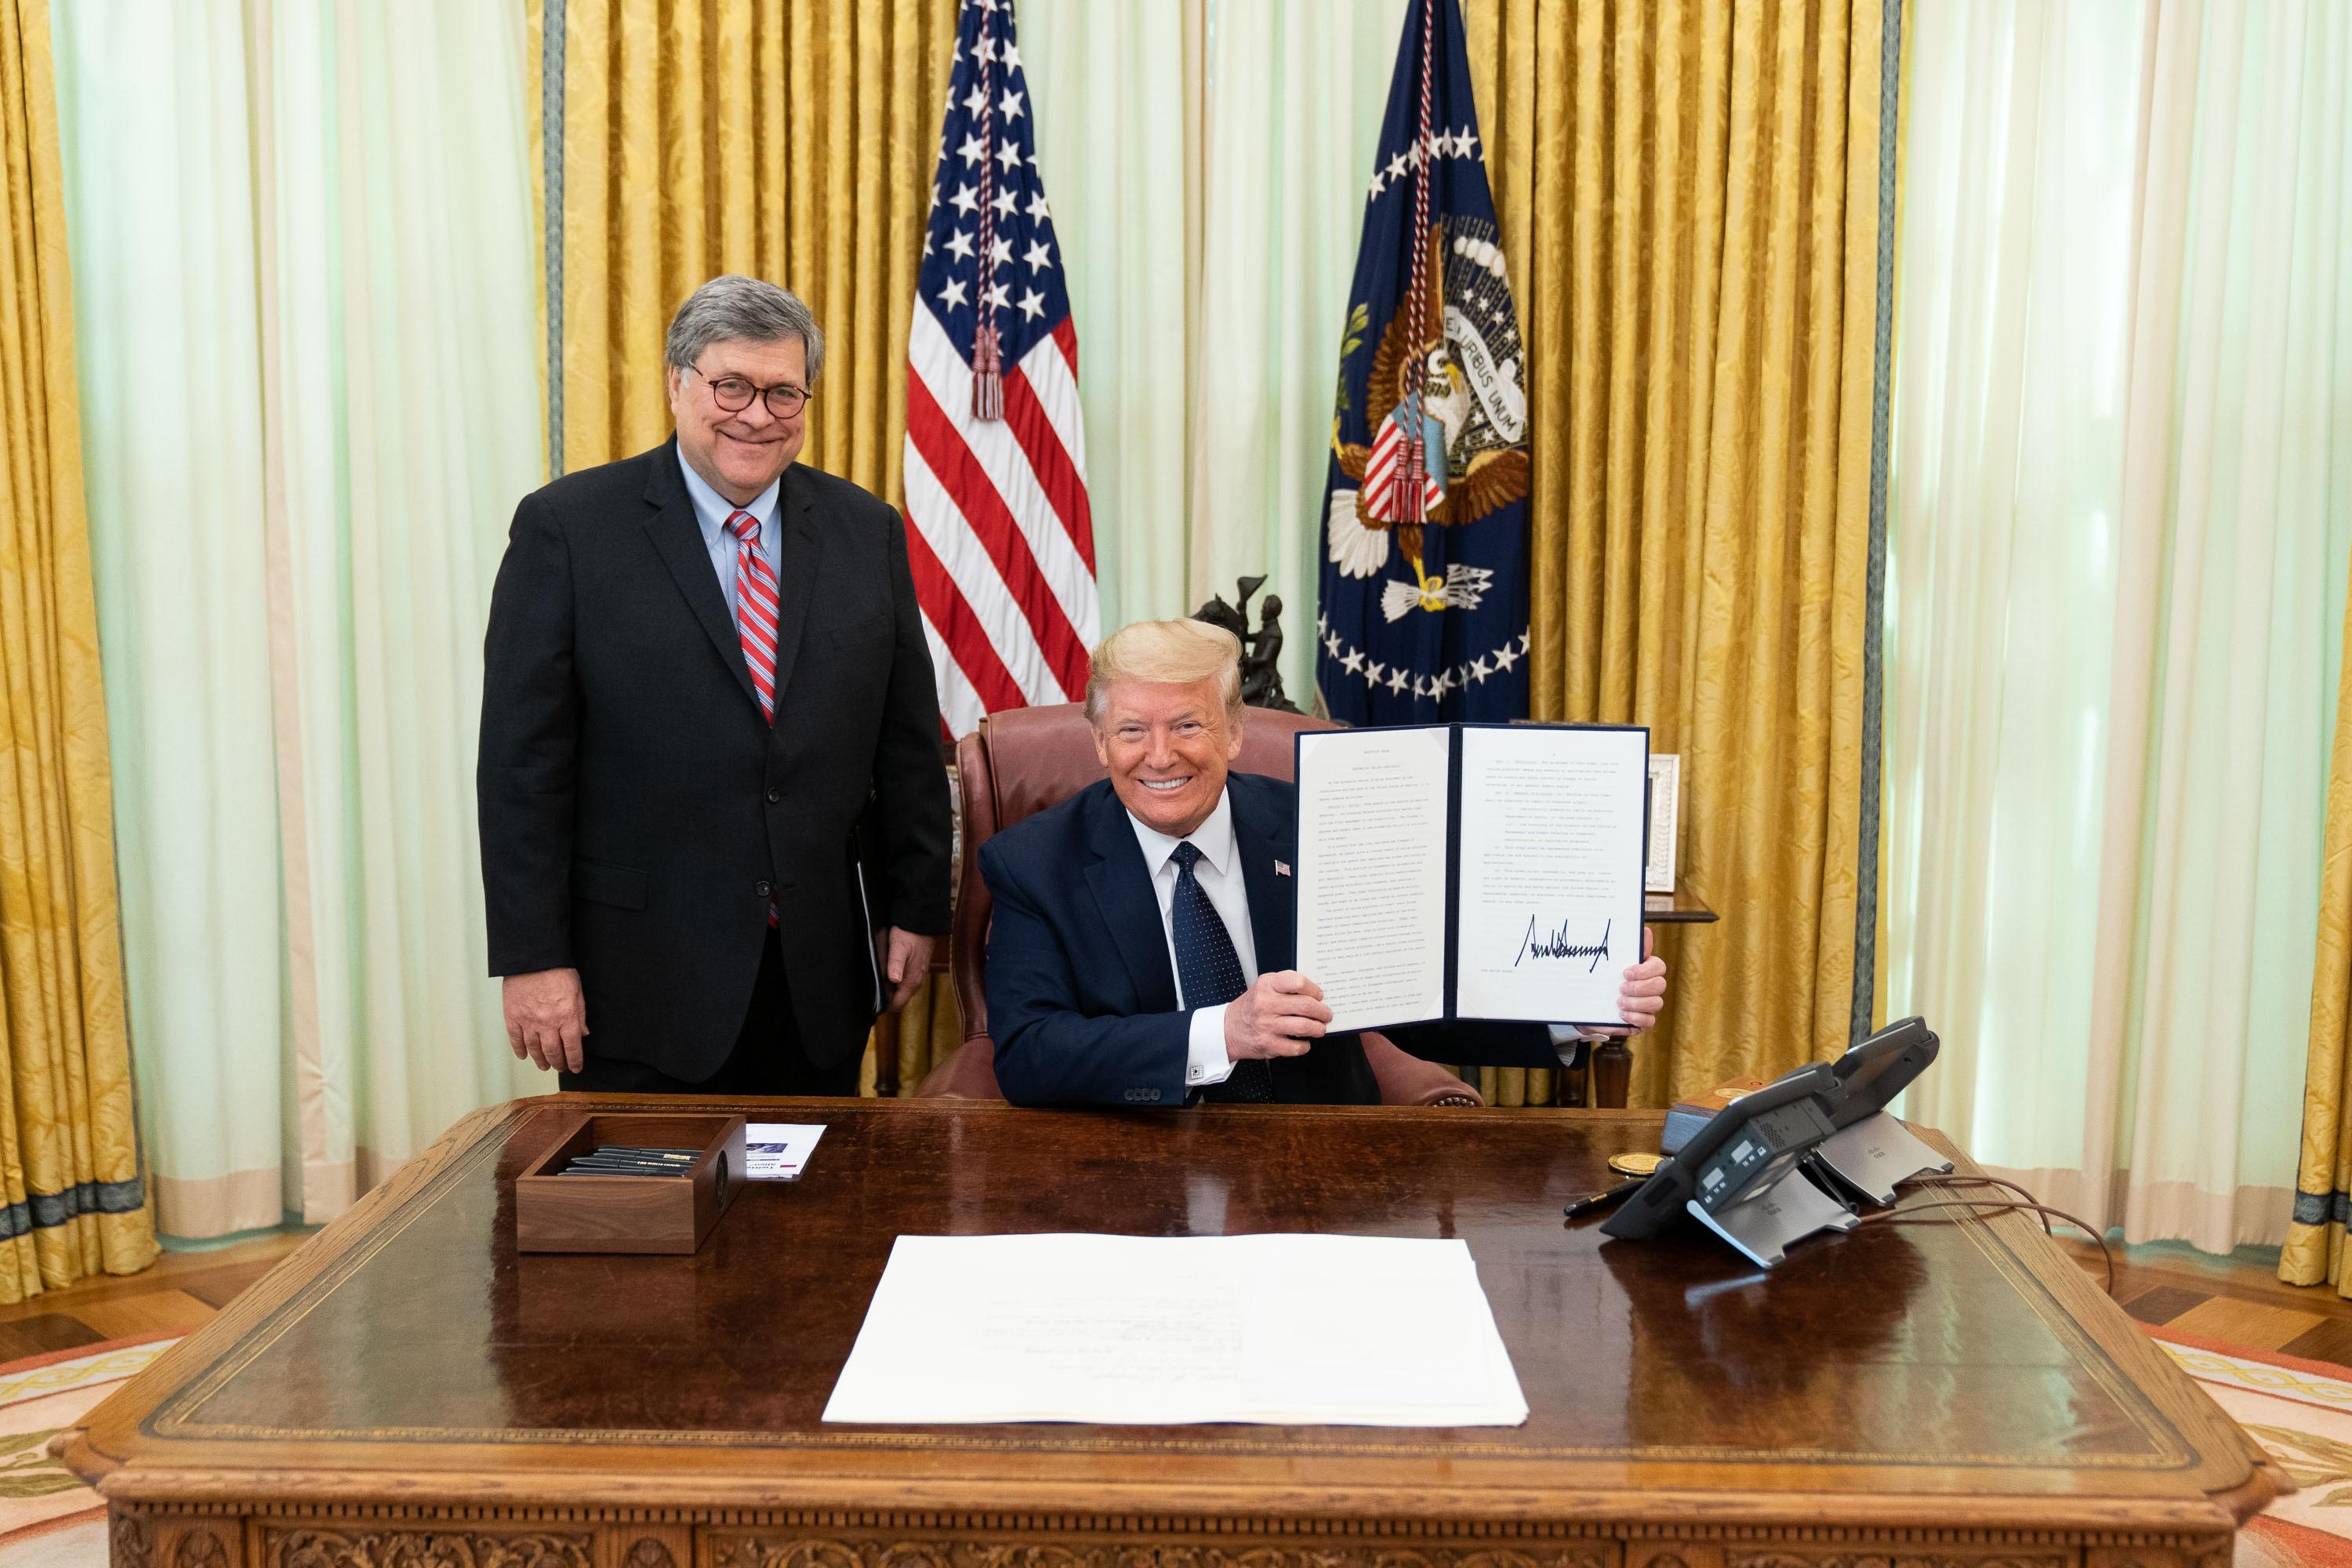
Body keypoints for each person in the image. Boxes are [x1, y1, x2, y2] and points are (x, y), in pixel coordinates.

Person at [478, 275, 950, 1094]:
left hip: (819, 977)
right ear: (676, 381)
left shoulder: (865, 530)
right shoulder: (568, 530)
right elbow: (523, 769)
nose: (757, 413)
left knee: (816, 1214)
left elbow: (904, 744)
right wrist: (534, 957)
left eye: (782, 391)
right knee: (646, 1219)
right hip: (639, 982)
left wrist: (913, 906)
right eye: (730, 384)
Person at [981, 619, 1668, 1106]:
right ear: (1100, 742)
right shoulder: (1032, 863)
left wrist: (1571, 1007)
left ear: (1236, 732)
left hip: (1318, 1150)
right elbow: (1032, 1051)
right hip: (1134, 1157)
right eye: (1133, 730)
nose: (1161, 755)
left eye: (1188, 724)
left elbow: (1418, 994)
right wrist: (1224, 1032)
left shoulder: (1325, 825)